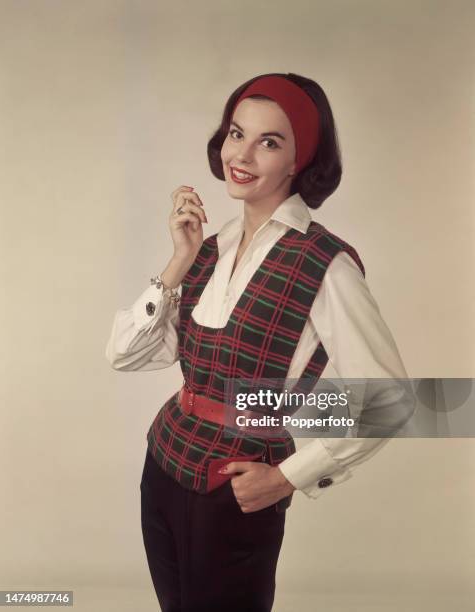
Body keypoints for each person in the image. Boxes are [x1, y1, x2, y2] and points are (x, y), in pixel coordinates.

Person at [105, 72, 411, 612]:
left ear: (300, 160)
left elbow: (388, 400)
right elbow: (125, 356)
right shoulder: (209, 247)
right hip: (163, 466)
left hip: (237, 488)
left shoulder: (326, 263)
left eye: (269, 141)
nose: (241, 154)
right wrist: (177, 262)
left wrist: (288, 477)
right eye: (235, 133)